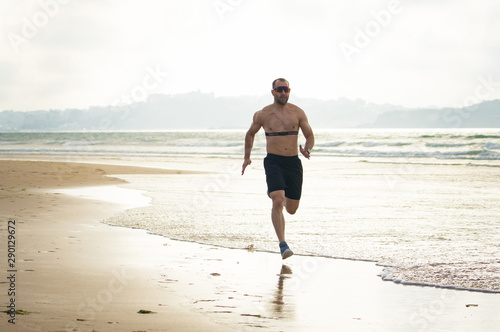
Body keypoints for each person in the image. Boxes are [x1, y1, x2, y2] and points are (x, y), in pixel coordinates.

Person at [241, 78, 315, 259]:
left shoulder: (298, 113)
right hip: (273, 162)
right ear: (273, 92)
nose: (283, 93)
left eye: (286, 89)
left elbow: (310, 135)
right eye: (280, 90)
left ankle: (276, 191)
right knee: (278, 201)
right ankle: (283, 245)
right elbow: (250, 134)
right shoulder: (263, 114)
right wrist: (247, 157)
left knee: (291, 209)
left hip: (293, 163)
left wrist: (307, 149)